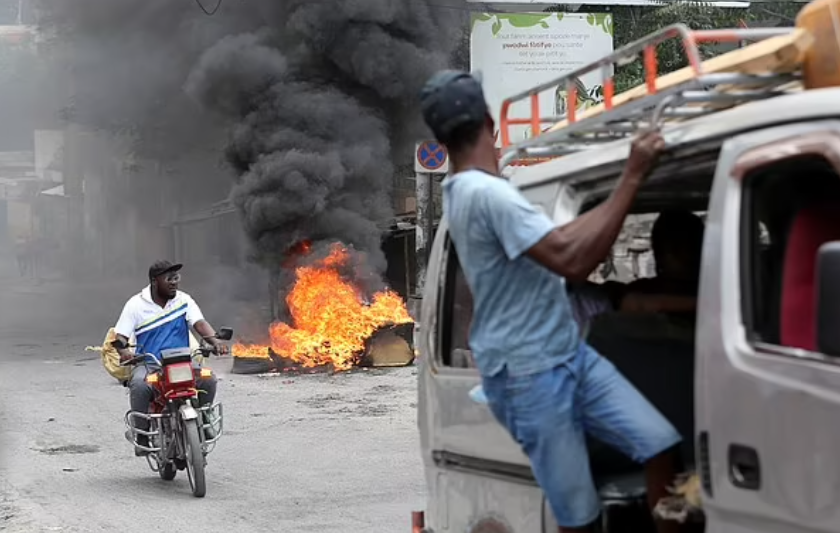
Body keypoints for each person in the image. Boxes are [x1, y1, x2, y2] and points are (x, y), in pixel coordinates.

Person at [420, 70, 681, 533]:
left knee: (659, 443)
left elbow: (557, 241)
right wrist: (633, 175)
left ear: (440, 139)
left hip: (567, 354)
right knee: (579, 519)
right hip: (529, 378)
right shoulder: (487, 194)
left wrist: (622, 188)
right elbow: (571, 259)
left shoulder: (464, 192)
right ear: (488, 122)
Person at [113, 260, 229, 455]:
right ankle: (141, 433)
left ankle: (205, 417)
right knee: (140, 385)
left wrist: (215, 341)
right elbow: (121, 335)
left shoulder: (184, 300)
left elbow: (199, 323)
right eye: (169, 278)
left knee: (209, 379)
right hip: (151, 363)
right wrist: (124, 351)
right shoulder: (136, 305)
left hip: (181, 362)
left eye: (176, 278)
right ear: (154, 281)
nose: (174, 282)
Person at [614, 209, 705, 316]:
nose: (665, 254)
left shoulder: (715, 290)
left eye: (676, 247)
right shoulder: (642, 290)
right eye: (659, 247)